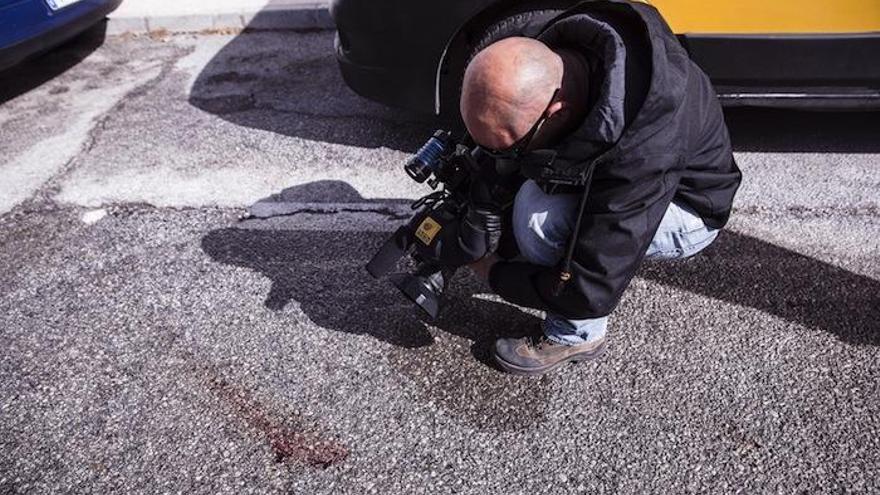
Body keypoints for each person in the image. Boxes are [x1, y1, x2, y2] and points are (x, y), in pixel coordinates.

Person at [460, 0, 742, 375]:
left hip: (687, 206)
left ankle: (575, 337)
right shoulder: (552, 46)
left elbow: (592, 283)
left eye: (511, 144)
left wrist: (492, 270)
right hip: (631, 175)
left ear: (554, 110)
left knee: (538, 217)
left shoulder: (645, 148)